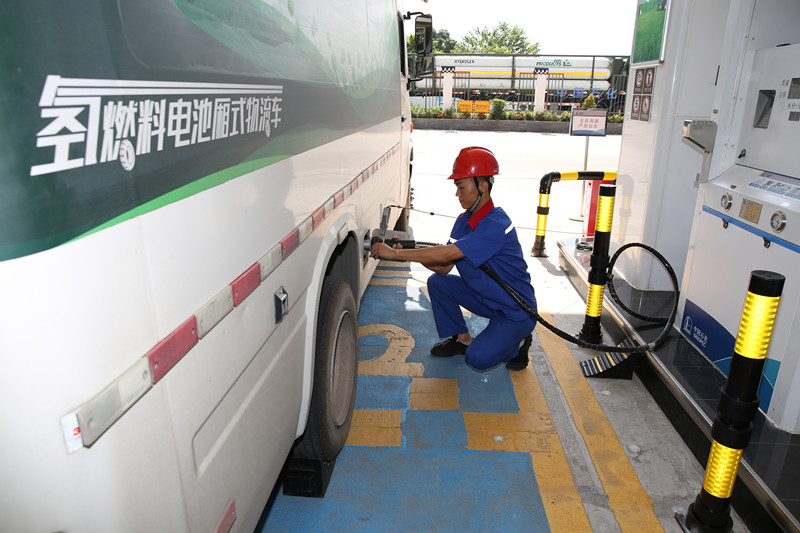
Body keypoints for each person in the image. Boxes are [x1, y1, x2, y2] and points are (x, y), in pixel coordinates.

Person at [370, 146, 536, 371]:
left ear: (482, 186)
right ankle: (462, 339)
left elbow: (447, 253)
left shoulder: (496, 225)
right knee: (438, 283)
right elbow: (444, 267)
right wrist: (409, 249)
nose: (457, 194)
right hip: (487, 299)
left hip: (514, 310)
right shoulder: (464, 220)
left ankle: (518, 343)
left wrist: (395, 254)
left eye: (461, 187)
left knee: (477, 359)